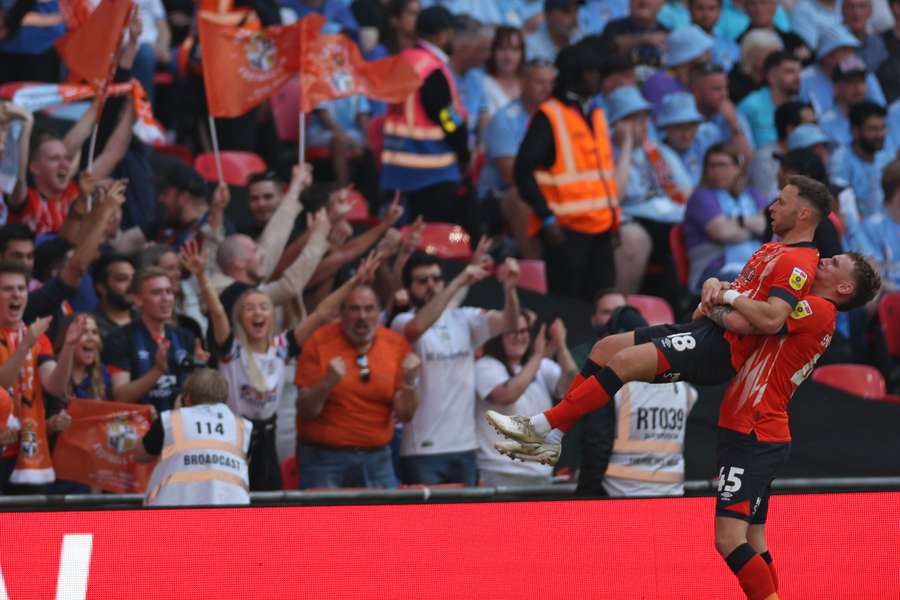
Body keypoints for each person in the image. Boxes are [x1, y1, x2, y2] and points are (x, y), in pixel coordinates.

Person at [484, 176, 831, 459]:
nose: (771, 207)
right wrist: (716, 287)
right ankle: (555, 435)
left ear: (803, 214)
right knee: (605, 347)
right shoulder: (773, 248)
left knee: (624, 361)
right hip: (704, 329)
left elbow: (770, 320)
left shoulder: (798, 262)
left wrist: (722, 298)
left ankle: (541, 427)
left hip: (720, 349)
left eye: (782, 202)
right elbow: (732, 292)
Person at [708, 253, 881, 600]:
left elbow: (750, 322)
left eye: (835, 264)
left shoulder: (816, 308)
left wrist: (717, 295)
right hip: (760, 431)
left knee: (729, 539)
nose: (825, 259)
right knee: (755, 539)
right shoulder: (815, 310)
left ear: (844, 287)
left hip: (752, 432)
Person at [391, 250, 520, 485]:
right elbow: (416, 328)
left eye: (436, 279)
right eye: (422, 281)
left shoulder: (465, 318)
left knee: (466, 521)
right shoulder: (401, 321)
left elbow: (509, 322)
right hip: (422, 450)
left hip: (465, 448)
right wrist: (458, 281)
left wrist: (510, 291)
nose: (431, 285)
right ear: (409, 288)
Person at [513, 40, 620, 301]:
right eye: (590, 72)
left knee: (604, 304)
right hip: (566, 233)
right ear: (574, 75)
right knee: (568, 307)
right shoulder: (549, 115)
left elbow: (603, 175)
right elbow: (522, 171)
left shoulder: (595, 112)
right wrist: (545, 218)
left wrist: (613, 219)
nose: (597, 78)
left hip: (602, 230)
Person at [296, 278, 420, 489]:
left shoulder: (396, 344)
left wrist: (409, 382)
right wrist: (326, 383)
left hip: (377, 457)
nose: (362, 317)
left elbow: (405, 414)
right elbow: (305, 410)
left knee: (385, 521)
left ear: (379, 312)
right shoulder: (318, 342)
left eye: (369, 309)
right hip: (324, 459)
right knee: (324, 523)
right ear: (341, 313)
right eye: (354, 309)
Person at [380, 6, 477, 237]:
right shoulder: (431, 68)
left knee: (404, 240)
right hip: (432, 171)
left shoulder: (402, 60)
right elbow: (447, 118)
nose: (454, 39)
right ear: (440, 34)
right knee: (435, 240)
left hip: (397, 168)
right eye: (452, 33)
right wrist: (464, 153)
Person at [0, 263, 80, 492]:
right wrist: (26, 344)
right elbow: (2, 383)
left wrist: (68, 348)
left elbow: (54, 385)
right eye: (7, 289)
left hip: (26, 448)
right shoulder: (31, 338)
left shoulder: (35, 337)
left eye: (21, 289)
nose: (16, 294)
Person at [608, 85, 692, 299]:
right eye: (634, 119)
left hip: (670, 219)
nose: (642, 125)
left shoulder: (658, 151)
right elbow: (615, 195)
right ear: (617, 123)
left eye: (644, 118)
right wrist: (625, 144)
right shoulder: (608, 152)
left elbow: (687, 192)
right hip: (636, 220)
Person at [476, 313, 577, 486]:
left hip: (541, 473)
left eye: (524, 331)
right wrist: (538, 356)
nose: (520, 337)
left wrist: (561, 347)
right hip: (499, 472)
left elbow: (575, 390)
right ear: (498, 335)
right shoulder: (486, 366)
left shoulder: (541, 366)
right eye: (512, 331)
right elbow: (507, 395)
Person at [136, 368, 253, 507]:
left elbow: (138, 455)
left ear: (187, 398)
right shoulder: (243, 426)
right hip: (231, 516)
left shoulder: (170, 421)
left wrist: (176, 412)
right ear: (224, 400)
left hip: (174, 515)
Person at [479, 59, 555, 250]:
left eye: (551, 82)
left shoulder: (556, 116)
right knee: (522, 197)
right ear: (522, 82)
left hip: (546, 187)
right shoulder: (504, 119)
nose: (547, 88)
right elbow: (512, 175)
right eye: (539, 82)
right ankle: (536, 272)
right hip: (498, 197)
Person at [102, 266, 198, 414]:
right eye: (157, 293)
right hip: (140, 430)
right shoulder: (119, 339)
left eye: (169, 291)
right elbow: (120, 396)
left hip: (180, 428)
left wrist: (200, 370)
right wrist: (157, 371)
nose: (166, 298)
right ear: (138, 300)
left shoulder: (185, 337)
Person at [684, 144, 769, 292]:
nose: (716, 171)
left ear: (737, 168)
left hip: (754, 267)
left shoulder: (753, 195)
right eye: (711, 166)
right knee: (759, 283)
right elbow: (723, 232)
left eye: (722, 165)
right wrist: (754, 230)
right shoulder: (701, 197)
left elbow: (767, 226)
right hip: (713, 273)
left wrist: (739, 221)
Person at [799, 23, 886, 116]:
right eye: (844, 50)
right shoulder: (804, 78)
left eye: (851, 50)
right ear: (826, 55)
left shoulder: (864, 73)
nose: (850, 55)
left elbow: (880, 109)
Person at [828, 100, 891, 220]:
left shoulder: (884, 157)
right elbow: (842, 207)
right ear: (855, 131)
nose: (880, 135)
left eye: (882, 128)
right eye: (873, 129)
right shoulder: (840, 161)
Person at [748, 101, 817, 201]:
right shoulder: (765, 158)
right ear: (790, 130)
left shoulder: (815, 154)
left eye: (815, 124)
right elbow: (767, 202)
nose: (815, 130)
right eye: (808, 126)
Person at [690, 61, 754, 163]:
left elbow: (746, 159)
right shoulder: (683, 117)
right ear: (696, 91)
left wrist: (733, 123)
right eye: (717, 89)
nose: (724, 94)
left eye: (725, 88)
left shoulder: (732, 115)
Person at [737, 50, 802, 148]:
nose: (798, 77)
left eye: (799, 71)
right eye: (790, 72)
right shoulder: (750, 106)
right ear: (772, 77)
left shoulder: (801, 106)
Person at [642, 25, 714, 111]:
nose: (710, 57)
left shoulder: (698, 80)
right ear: (689, 57)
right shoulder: (660, 82)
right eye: (705, 52)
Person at [597, 0, 669, 72]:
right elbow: (611, 48)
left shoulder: (668, 34)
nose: (644, 1)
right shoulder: (614, 27)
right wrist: (645, 39)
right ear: (630, 2)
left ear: (661, 4)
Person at [818, 54, 874, 146]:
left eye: (862, 81)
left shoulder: (876, 119)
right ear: (836, 88)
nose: (858, 88)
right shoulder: (825, 124)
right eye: (851, 82)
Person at [655, 91, 708, 185]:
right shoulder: (655, 154)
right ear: (666, 127)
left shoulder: (704, 142)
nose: (687, 134)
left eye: (691, 126)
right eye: (679, 127)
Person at [728, 28, 785, 105]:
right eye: (771, 55)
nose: (776, 61)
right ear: (751, 55)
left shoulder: (775, 83)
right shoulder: (731, 84)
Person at [91, 253, 137, 340]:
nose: (132, 285)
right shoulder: (91, 327)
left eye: (134, 279)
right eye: (122, 279)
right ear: (102, 288)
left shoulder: (146, 318)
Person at [483, 26, 525, 117]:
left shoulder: (529, 85)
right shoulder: (482, 84)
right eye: (502, 49)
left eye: (514, 50)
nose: (508, 57)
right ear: (492, 51)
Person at [688, 0, 740, 70]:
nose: (706, 14)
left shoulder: (733, 48)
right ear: (689, 10)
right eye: (700, 8)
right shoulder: (678, 44)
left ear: (720, 12)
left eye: (711, 8)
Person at [842, 0, 887, 72]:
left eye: (862, 6)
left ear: (870, 11)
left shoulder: (877, 43)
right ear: (843, 11)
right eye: (851, 6)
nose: (856, 12)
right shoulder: (836, 45)